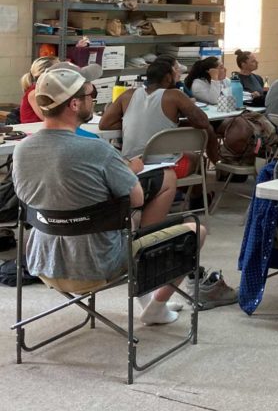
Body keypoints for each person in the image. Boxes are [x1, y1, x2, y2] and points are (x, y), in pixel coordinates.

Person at [12, 66, 208, 326]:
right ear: (73, 104)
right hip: (97, 266)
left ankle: (147, 299)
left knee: (128, 223)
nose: (93, 98)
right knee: (196, 229)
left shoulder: (21, 149)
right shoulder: (96, 149)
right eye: (89, 94)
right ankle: (156, 307)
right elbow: (136, 199)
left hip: (42, 261)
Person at [100, 56, 221, 215]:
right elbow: (202, 121)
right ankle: (196, 201)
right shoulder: (175, 95)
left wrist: (134, 122)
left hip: (132, 164)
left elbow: (104, 124)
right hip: (165, 168)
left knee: (182, 157)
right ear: (168, 77)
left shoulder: (128, 94)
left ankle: (173, 195)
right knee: (198, 159)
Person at [18, 56, 59, 124]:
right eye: (58, 71)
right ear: (46, 74)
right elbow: (46, 118)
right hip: (33, 131)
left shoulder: (48, 89)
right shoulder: (34, 93)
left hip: (47, 130)